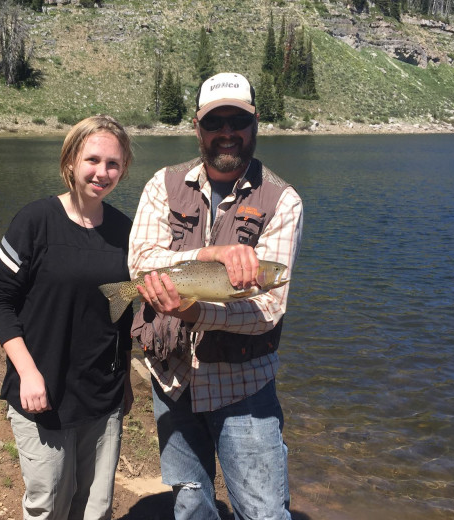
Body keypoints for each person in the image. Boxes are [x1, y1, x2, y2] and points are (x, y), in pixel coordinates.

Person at [128, 72, 303, 520]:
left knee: (264, 512)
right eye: (215, 121)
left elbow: (266, 309)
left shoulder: (283, 200)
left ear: (255, 124)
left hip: (243, 386)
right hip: (172, 379)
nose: (227, 132)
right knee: (190, 501)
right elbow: (141, 262)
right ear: (198, 127)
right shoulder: (162, 185)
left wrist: (193, 310)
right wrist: (212, 253)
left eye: (238, 120)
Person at [0, 115, 135, 520]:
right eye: (92, 160)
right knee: (47, 501)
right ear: (70, 161)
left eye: (113, 164)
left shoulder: (125, 230)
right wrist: (28, 373)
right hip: (42, 391)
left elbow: (123, 313)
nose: (102, 172)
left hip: (102, 394)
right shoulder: (34, 221)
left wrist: (126, 381)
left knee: (95, 507)